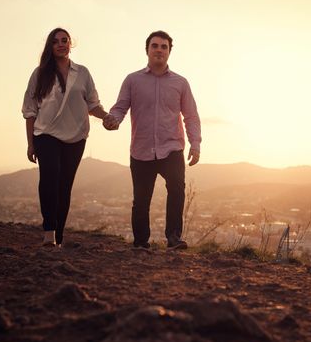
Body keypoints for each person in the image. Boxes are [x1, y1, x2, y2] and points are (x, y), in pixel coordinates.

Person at [104, 30, 201, 250]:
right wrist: (113, 120)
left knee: (176, 189)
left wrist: (195, 144)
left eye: (164, 46)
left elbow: (191, 116)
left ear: (169, 51)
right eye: (155, 46)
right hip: (142, 148)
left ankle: (174, 238)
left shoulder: (181, 83)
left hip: (172, 147)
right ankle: (140, 242)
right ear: (147, 50)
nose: (159, 50)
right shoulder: (132, 80)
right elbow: (120, 108)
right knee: (141, 199)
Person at [22, 27, 108, 247]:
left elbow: (93, 104)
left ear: (71, 44)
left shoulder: (83, 73)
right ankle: (49, 232)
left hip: (76, 137)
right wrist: (31, 143)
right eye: (56, 41)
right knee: (50, 177)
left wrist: (107, 118)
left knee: (65, 185)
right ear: (50, 46)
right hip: (46, 134)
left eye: (65, 40)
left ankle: (58, 237)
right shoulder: (40, 74)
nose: (61, 44)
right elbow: (30, 110)